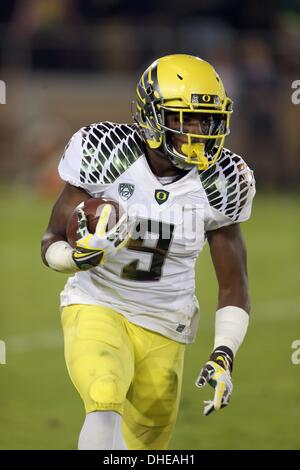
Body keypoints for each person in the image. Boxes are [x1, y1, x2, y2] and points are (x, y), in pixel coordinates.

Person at [41, 54, 255, 450]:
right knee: (103, 396)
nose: (197, 132)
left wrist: (225, 350)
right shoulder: (106, 152)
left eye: (204, 121)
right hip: (97, 301)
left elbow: (233, 284)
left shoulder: (223, 180)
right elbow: (51, 239)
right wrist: (76, 258)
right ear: (151, 116)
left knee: (148, 442)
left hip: (166, 321)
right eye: (183, 119)